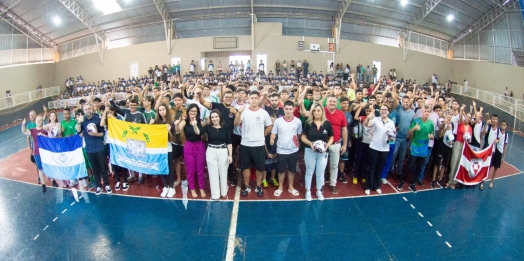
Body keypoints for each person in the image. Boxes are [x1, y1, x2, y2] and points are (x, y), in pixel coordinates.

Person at [234, 90, 273, 197]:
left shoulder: (263, 113)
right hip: (245, 144)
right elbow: (236, 123)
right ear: (249, 99)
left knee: (260, 168)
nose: (254, 100)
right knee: (245, 167)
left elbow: (269, 126)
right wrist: (239, 113)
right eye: (252, 98)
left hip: (259, 145)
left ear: (259, 99)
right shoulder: (244, 111)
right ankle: (246, 186)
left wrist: (261, 135)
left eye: (256, 98)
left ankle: (258, 186)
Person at [76, 103, 111, 195]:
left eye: (89, 108)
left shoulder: (97, 119)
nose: (88, 110)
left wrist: (96, 134)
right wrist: (79, 122)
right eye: (86, 109)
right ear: (84, 110)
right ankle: (98, 186)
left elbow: (102, 133)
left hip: (99, 147)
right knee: (95, 169)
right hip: (89, 149)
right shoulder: (83, 121)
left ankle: (107, 184)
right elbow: (78, 131)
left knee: (103, 168)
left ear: (92, 109)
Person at [398, 105, 434, 193]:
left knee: (419, 168)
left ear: (430, 113)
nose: (426, 113)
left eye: (428, 112)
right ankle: (402, 181)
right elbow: (409, 133)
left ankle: (412, 184)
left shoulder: (431, 123)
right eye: (425, 111)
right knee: (409, 167)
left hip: (424, 151)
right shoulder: (416, 121)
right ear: (422, 112)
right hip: (414, 149)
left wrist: (431, 137)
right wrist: (414, 128)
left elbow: (432, 136)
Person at [301, 103, 333, 201]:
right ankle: (308, 191)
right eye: (314, 111)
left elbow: (331, 137)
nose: (316, 112)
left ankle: (319, 191)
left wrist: (326, 146)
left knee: (320, 172)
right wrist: (310, 144)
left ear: (322, 111)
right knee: (309, 172)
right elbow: (303, 137)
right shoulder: (308, 123)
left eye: (318, 110)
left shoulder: (327, 123)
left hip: (323, 153)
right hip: (310, 151)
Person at [270, 100, 302, 197]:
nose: (288, 111)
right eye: (286, 109)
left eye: (290, 109)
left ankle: (291, 187)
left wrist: (296, 142)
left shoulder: (298, 121)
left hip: (293, 150)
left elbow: (299, 134)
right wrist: (272, 139)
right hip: (281, 150)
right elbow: (273, 133)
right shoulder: (278, 121)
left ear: (293, 110)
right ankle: (280, 187)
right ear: (283, 109)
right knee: (281, 170)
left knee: (292, 170)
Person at [364, 104, 396, 195]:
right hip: (374, 147)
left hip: (385, 149)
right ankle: (368, 186)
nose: (383, 111)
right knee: (372, 168)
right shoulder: (375, 119)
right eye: (382, 109)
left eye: (385, 109)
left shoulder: (391, 122)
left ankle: (376, 185)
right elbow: (366, 126)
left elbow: (393, 136)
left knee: (379, 168)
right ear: (380, 111)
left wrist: (391, 138)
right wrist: (368, 118)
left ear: (388, 111)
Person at [176, 103, 206, 197]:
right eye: (191, 111)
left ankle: (201, 188)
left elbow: (200, 134)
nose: (193, 112)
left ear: (197, 113)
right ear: (188, 111)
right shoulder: (185, 121)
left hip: (199, 146)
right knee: (190, 169)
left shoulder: (200, 122)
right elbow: (177, 130)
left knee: (200, 169)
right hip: (189, 146)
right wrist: (177, 124)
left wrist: (195, 125)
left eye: (195, 111)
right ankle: (192, 188)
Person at [203, 110, 233, 200]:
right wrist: (194, 125)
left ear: (219, 117)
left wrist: (230, 155)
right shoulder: (207, 127)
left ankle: (224, 192)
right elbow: (198, 132)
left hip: (223, 151)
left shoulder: (225, 128)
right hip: (211, 150)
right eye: (212, 117)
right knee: (213, 173)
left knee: (223, 172)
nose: (214, 119)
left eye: (216, 117)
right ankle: (215, 194)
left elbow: (229, 142)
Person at [324, 95, 348, 194]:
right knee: (321, 166)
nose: (332, 103)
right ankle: (320, 184)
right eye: (330, 101)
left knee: (334, 166)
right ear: (326, 102)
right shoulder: (321, 112)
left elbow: (344, 130)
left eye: (334, 101)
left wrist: (344, 144)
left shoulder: (341, 114)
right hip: (323, 144)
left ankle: (333, 184)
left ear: (337, 103)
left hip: (336, 143)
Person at [155, 103, 177, 198]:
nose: (161, 112)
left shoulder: (171, 123)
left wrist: (168, 131)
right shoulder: (156, 122)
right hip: (159, 148)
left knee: (169, 168)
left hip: (168, 147)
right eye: (160, 110)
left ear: (166, 110)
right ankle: (165, 186)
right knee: (161, 167)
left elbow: (172, 139)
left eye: (163, 109)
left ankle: (172, 187)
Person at [21, 116, 48, 192]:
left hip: (45, 152)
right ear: (35, 121)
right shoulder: (33, 131)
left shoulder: (45, 130)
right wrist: (23, 125)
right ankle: (43, 184)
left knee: (48, 167)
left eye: (40, 120)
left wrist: (44, 135)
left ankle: (53, 180)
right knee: (40, 168)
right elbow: (24, 131)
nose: (39, 121)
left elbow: (50, 138)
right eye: (37, 120)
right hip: (37, 152)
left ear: (42, 121)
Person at [480, 120, 508, 189]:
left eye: (504, 125)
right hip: (494, 151)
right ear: (500, 125)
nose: (503, 126)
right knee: (488, 166)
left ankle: (492, 182)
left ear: (506, 126)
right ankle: (483, 181)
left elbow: (505, 146)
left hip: (499, 153)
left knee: (496, 168)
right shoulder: (498, 131)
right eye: (502, 124)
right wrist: (496, 141)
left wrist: (503, 157)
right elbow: (496, 138)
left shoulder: (506, 135)